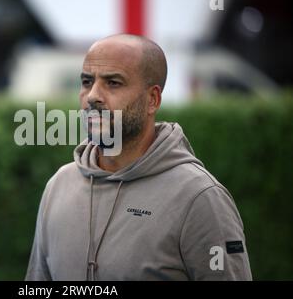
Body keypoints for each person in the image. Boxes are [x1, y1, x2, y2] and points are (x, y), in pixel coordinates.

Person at [25, 34, 252, 281]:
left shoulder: (199, 198)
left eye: (113, 83)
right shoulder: (59, 186)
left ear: (152, 100)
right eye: (87, 82)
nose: (92, 96)